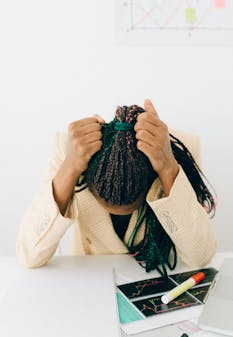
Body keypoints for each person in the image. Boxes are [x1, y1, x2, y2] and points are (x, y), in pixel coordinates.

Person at [17, 99, 217, 276]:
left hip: (157, 279)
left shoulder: (181, 152)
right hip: (90, 284)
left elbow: (200, 257)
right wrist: (69, 167)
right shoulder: (68, 151)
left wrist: (168, 168)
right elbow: (29, 256)